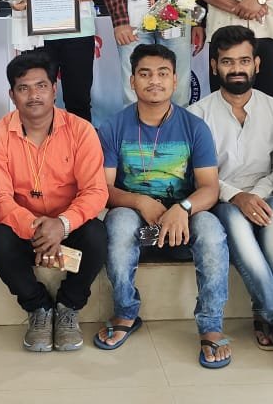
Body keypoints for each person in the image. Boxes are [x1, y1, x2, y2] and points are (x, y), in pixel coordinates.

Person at [95, 44, 232, 369]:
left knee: (211, 229)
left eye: (162, 74)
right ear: (132, 81)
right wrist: (140, 201)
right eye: (145, 74)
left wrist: (182, 208)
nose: (154, 81)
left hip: (182, 224)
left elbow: (210, 188)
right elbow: (105, 190)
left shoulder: (194, 127)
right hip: (140, 224)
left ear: (175, 80)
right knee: (118, 223)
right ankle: (126, 312)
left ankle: (211, 325)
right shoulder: (113, 127)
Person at [189, 26, 273, 368]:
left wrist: (255, 195)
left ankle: (264, 309)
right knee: (231, 215)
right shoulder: (197, 114)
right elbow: (200, 175)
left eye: (244, 61)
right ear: (214, 66)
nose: (237, 69)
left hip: (267, 194)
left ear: (257, 64)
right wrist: (237, 197)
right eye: (227, 62)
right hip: (219, 198)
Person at [0, 51, 108, 351]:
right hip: (23, 231)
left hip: (69, 227)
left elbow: (96, 191)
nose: (33, 96)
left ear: (55, 89)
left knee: (96, 236)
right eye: (23, 88)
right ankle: (38, 307)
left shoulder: (81, 131)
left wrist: (62, 225)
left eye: (41, 86)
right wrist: (38, 229)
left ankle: (68, 306)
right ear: (12, 95)